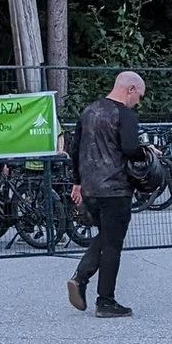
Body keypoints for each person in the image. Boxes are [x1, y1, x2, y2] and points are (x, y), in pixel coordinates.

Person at [66, 70, 148, 319]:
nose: (138, 102)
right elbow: (130, 148)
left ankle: (80, 278)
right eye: (139, 96)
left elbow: (75, 148)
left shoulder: (89, 111)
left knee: (105, 236)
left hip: (91, 188)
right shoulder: (125, 115)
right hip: (115, 189)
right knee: (113, 244)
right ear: (130, 89)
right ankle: (105, 301)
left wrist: (77, 183)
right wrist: (148, 152)